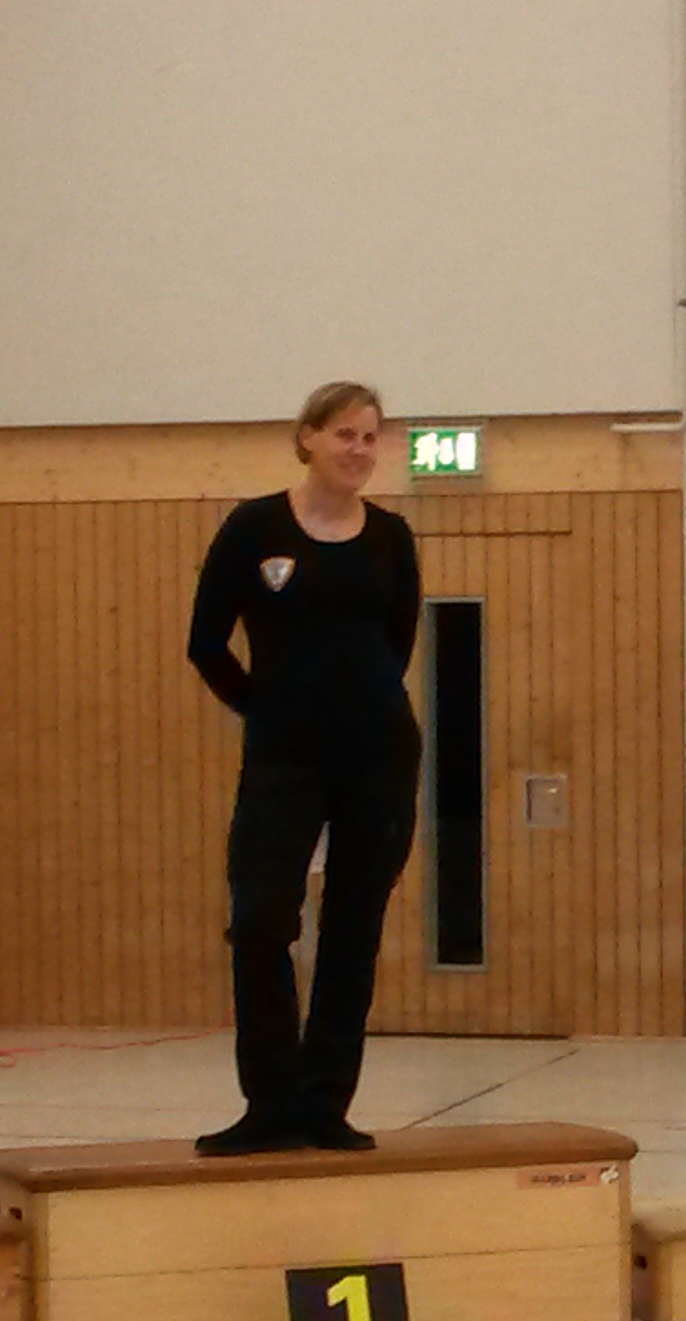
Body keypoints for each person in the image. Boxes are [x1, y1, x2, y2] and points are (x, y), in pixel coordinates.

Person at [187, 382, 424, 1156]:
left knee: (354, 927)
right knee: (261, 919)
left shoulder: (391, 538)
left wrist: (357, 712)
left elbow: (394, 645)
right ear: (309, 438)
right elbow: (205, 643)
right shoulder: (254, 527)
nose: (359, 449)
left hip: (378, 756)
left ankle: (325, 1104)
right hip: (284, 756)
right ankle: (271, 1102)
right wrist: (267, 708)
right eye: (345, 434)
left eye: (371, 437)